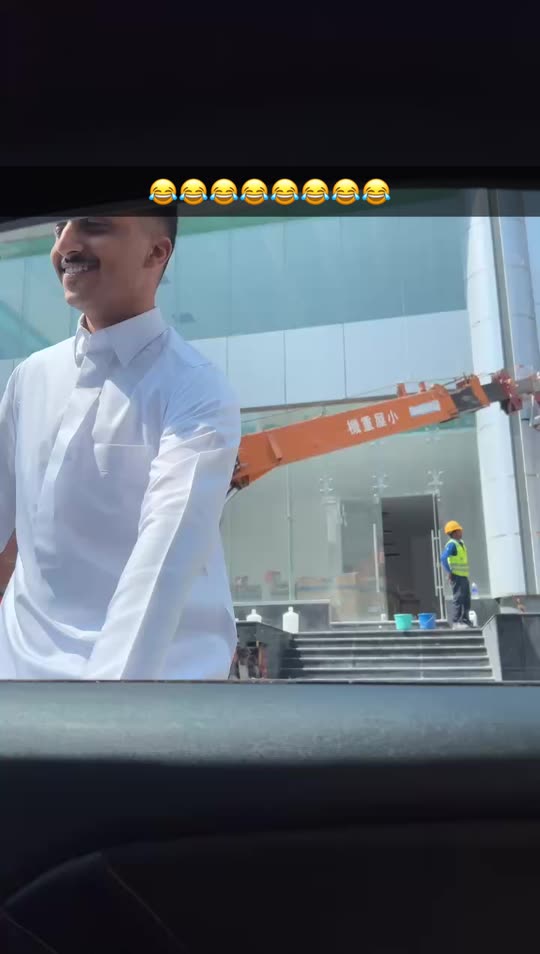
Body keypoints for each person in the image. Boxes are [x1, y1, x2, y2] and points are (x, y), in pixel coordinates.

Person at [0, 213, 241, 679]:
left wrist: (110, 706)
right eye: (59, 227)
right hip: (18, 674)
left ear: (157, 252)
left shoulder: (196, 387)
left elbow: (164, 561)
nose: (65, 244)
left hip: (156, 683)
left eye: (93, 224)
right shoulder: (31, 376)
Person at [440, 520, 472, 630]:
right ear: (453, 532)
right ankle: (456, 622)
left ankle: (465, 620)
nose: (461, 532)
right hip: (457, 576)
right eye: (459, 530)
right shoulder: (452, 544)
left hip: (463, 576)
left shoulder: (460, 543)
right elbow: (443, 558)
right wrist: (449, 572)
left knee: (466, 599)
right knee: (458, 598)